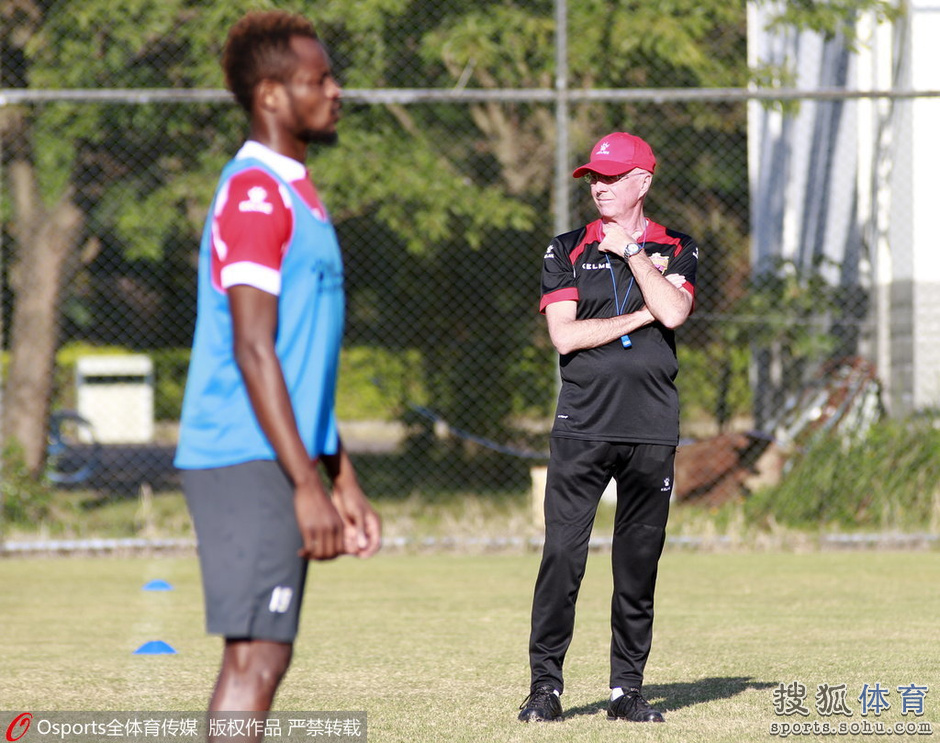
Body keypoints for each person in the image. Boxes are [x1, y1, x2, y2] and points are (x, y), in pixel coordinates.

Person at [174, 9, 381, 732]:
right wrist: (305, 484)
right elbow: (254, 348)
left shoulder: (297, 190)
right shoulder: (255, 193)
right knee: (255, 658)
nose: (335, 90)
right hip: (242, 451)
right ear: (269, 95)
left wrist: (341, 477)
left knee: (266, 653)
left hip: (277, 452)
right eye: (317, 79)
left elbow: (301, 360)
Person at [518, 131, 698, 724]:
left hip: (651, 427)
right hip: (583, 425)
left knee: (637, 561)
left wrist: (631, 254)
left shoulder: (677, 246)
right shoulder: (565, 248)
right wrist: (648, 308)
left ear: (642, 182)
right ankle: (546, 686)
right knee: (563, 557)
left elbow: (677, 311)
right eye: (593, 177)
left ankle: (627, 690)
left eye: (611, 177)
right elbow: (565, 336)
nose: (598, 186)